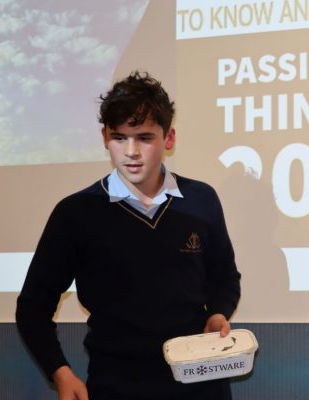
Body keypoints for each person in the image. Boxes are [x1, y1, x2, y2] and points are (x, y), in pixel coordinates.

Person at [16, 71, 241, 400]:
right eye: (120, 137)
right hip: (117, 387)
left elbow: (225, 277)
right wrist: (60, 372)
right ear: (105, 137)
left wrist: (217, 313)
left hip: (201, 384)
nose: (131, 151)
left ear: (169, 138)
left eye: (145, 137)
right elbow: (32, 307)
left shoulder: (202, 199)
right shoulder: (76, 213)